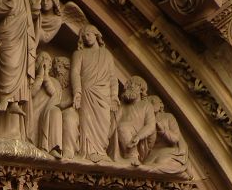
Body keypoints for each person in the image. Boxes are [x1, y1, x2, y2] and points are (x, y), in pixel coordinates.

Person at [71, 24, 119, 161]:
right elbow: (75, 73)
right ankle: (89, 151)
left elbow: (112, 77)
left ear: (96, 35)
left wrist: (114, 96)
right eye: (84, 36)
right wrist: (77, 92)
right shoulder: (79, 54)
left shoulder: (106, 55)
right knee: (87, 121)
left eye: (89, 34)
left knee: (104, 123)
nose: (87, 38)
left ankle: (101, 152)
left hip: (104, 95)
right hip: (87, 92)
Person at [116, 76, 156, 165]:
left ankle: (132, 156)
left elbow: (150, 125)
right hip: (121, 136)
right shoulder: (122, 105)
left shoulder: (146, 105)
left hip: (140, 139)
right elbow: (115, 122)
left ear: (141, 90)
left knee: (123, 127)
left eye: (135, 84)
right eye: (129, 84)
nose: (130, 86)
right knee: (119, 127)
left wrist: (138, 136)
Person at [30, 51, 62, 158]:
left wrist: (46, 77)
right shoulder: (31, 78)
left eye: (47, 60)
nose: (44, 61)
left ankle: (53, 147)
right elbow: (31, 93)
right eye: (41, 58)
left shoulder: (55, 82)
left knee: (56, 112)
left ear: (50, 66)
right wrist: (40, 76)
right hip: (32, 113)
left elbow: (54, 94)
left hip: (47, 114)